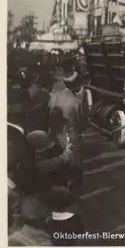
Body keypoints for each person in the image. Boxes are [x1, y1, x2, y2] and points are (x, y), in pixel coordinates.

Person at [48, 69, 89, 198]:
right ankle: (74, 193)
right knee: (75, 164)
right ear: (76, 86)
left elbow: (49, 112)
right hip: (71, 135)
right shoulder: (77, 102)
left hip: (55, 135)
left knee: (59, 164)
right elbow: (83, 122)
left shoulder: (55, 96)